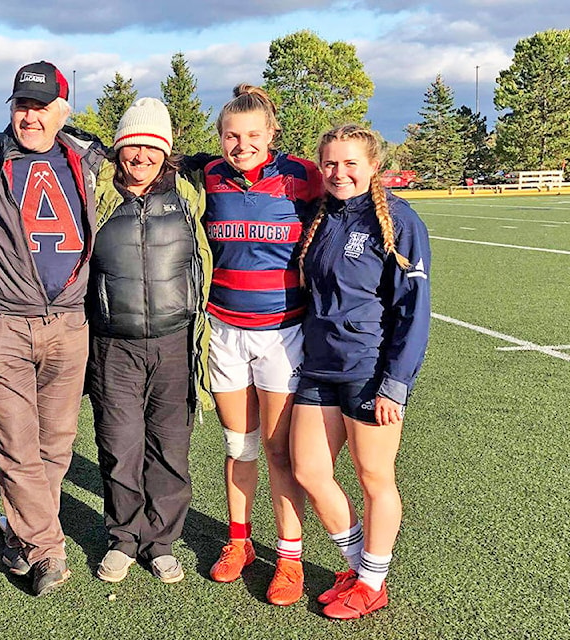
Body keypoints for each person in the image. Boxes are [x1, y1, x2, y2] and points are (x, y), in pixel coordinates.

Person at [0, 60, 105, 596]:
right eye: (22, 105)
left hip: (68, 320)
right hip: (1, 320)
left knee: (56, 445)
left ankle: (23, 535)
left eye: (41, 107)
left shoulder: (89, 158)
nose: (30, 117)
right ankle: (48, 549)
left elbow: (152, 164)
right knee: (15, 443)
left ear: (63, 109)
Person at [181, 84, 322, 605]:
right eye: (232, 136)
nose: (242, 145)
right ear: (219, 137)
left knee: (278, 450)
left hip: (283, 332)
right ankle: (238, 543)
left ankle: (289, 558)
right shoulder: (211, 175)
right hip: (224, 330)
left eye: (253, 135)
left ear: (272, 133)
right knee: (237, 446)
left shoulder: (303, 176)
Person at [290, 124, 430, 619]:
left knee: (374, 476)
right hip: (318, 366)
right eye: (330, 163)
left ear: (373, 166)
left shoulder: (398, 221)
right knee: (308, 469)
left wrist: (397, 383)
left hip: (369, 370)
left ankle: (374, 581)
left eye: (351, 163)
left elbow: (414, 309)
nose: (339, 172)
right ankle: (358, 566)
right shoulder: (320, 216)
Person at [87, 98, 213, 584]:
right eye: (131, 145)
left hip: (175, 342)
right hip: (113, 344)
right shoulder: (96, 192)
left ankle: (160, 541)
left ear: (165, 152)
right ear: (118, 148)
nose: (140, 156)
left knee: (169, 449)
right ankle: (122, 537)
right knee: (120, 446)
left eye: (151, 147)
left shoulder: (188, 195)